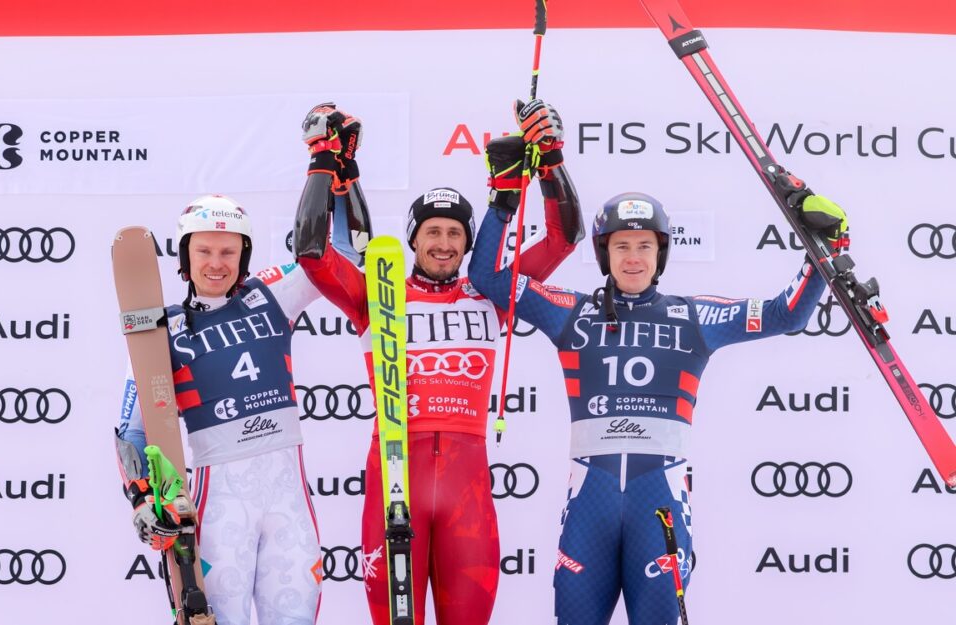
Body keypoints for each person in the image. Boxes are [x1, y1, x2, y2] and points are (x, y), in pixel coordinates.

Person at [468, 165, 848, 624]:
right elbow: (488, 278)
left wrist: (822, 250)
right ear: (604, 253)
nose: (633, 258)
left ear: (660, 254)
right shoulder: (570, 312)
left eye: (644, 246)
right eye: (621, 246)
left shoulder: (694, 317)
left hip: (661, 506)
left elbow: (784, 315)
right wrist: (505, 194)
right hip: (590, 509)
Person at [292, 100, 584, 625]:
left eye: (455, 233)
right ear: (414, 239)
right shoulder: (378, 296)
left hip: (466, 488)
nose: (444, 244)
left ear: (469, 243)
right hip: (394, 477)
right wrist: (323, 160)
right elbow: (313, 255)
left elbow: (564, 237)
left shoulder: (490, 294)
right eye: (433, 232)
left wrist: (551, 159)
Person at [115, 194, 363, 625]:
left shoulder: (272, 294)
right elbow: (133, 432)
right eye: (204, 251)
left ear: (244, 255)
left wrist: (339, 173)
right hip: (221, 506)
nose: (216, 263)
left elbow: (341, 254)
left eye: (228, 252)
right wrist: (141, 499)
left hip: (290, 505)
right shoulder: (163, 329)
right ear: (184, 257)